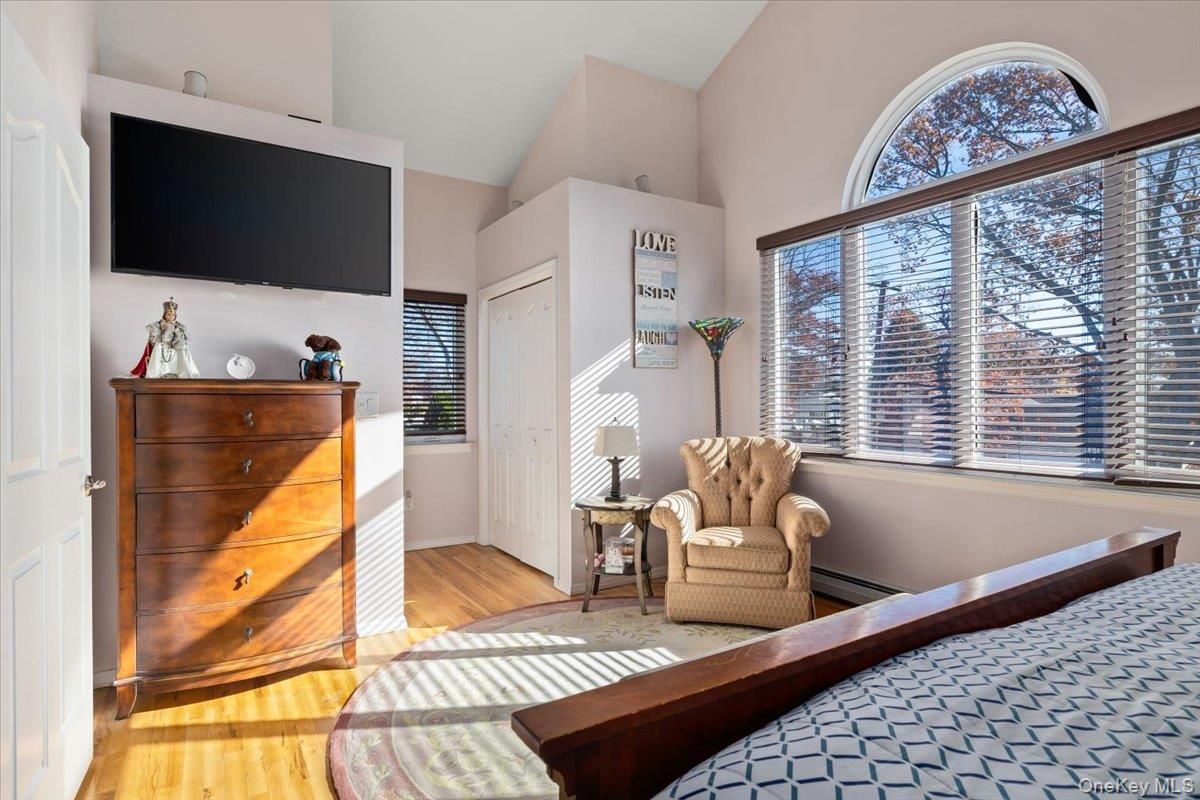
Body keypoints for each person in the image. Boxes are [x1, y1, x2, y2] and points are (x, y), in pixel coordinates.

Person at [131, 297, 200, 378]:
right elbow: (152, 339)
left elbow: (182, 338)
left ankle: (180, 372)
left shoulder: (179, 326)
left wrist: (178, 336)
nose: (171, 316)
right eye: (169, 314)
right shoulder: (158, 325)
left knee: (181, 351)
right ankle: (159, 373)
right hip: (162, 347)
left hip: (174, 348)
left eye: (173, 314)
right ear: (165, 314)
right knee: (159, 351)